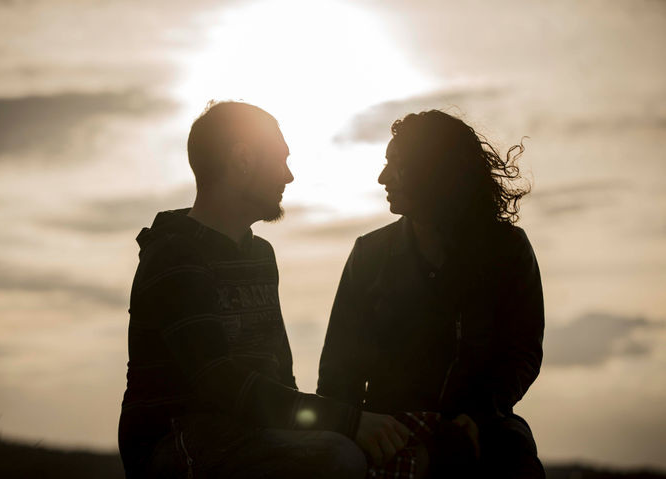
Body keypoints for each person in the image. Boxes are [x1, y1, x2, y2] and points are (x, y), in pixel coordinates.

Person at [118, 101, 410, 478]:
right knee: (337, 456)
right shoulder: (175, 257)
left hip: (247, 435)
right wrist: (347, 421)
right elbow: (218, 381)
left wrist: (334, 426)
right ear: (242, 160)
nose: (288, 176)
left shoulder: (260, 255)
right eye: (280, 160)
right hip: (175, 445)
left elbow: (279, 373)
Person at [318, 110, 545, 478]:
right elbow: (337, 372)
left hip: (479, 424)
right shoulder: (370, 253)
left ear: (433, 170)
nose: (382, 177)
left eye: (396, 164)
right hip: (386, 428)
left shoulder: (507, 249)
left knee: (513, 457)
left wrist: (480, 414)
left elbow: (522, 352)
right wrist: (351, 429)